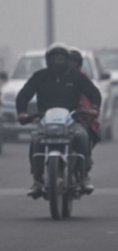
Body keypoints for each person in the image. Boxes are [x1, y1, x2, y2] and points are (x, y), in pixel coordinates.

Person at [16, 45, 101, 197]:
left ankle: (84, 176)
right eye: (55, 58)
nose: (58, 61)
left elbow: (94, 93)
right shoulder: (39, 76)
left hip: (71, 120)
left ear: (67, 60)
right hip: (45, 120)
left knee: (82, 136)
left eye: (62, 58)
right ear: (48, 60)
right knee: (36, 140)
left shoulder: (76, 76)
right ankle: (37, 180)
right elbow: (24, 94)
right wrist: (22, 112)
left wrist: (94, 108)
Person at [68, 48, 102, 161]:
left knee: (84, 134)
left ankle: (84, 161)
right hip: (59, 117)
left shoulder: (81, 78)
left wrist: (93, 108)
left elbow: (94, 93)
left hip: (78, 116)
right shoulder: (53, 78)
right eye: (68, 61)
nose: (70, 65)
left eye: (74, 62)